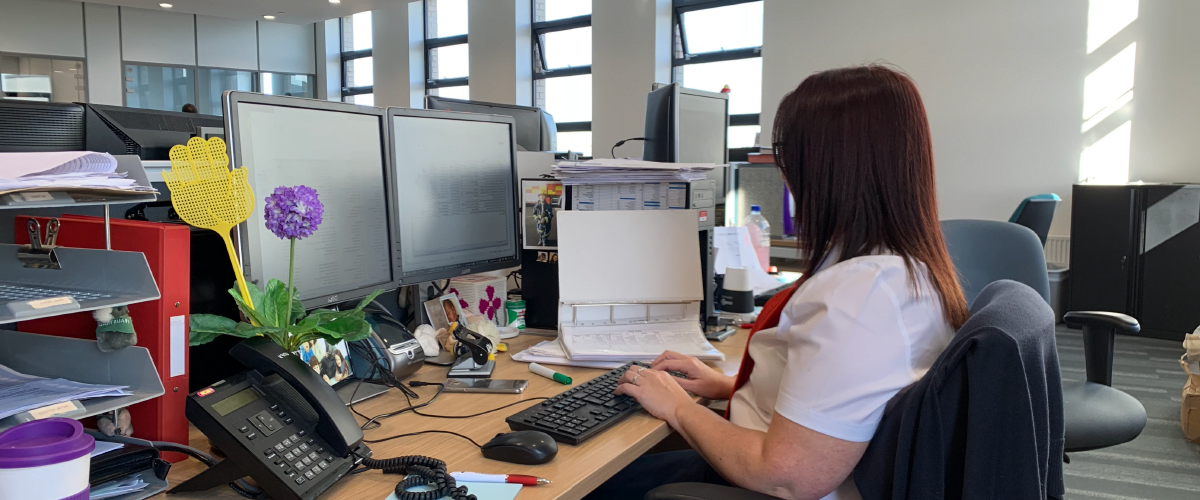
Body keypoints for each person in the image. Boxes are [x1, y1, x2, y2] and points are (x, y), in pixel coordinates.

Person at [586, 65, 969, 500]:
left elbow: (788, 475)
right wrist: (727, 387)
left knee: (584, 486)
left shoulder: (860, 296)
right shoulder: (906, 269)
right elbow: (849, 401)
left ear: (828, 168)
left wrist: (675, 405)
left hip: (760, 482)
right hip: (767, 458)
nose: (784, 175)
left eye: (789, 157)